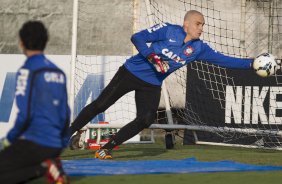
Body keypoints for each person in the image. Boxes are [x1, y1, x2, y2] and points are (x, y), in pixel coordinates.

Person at [69, 10, 254, 159]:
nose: (201, 28)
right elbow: (137, 37)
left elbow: (225, 60)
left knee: (146, 119)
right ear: (186, 24)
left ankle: (106, 149)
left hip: (152, 83)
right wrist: (151, 56)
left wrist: (252, 63)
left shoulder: (198, 48)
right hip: (130, 72)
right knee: (101, 105)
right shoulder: (168, 30)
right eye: (198, 24)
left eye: (203, 25)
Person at [0, 21, 70, 183]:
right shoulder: (57, 72)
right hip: (55, 144)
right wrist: (62, 142)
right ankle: (49, 165)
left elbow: (25, 115)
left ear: (21, 43)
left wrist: (9, 139)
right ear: (45, 42)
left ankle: (44, 167)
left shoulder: (27, 70)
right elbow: (65, 113)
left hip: (34, 142)